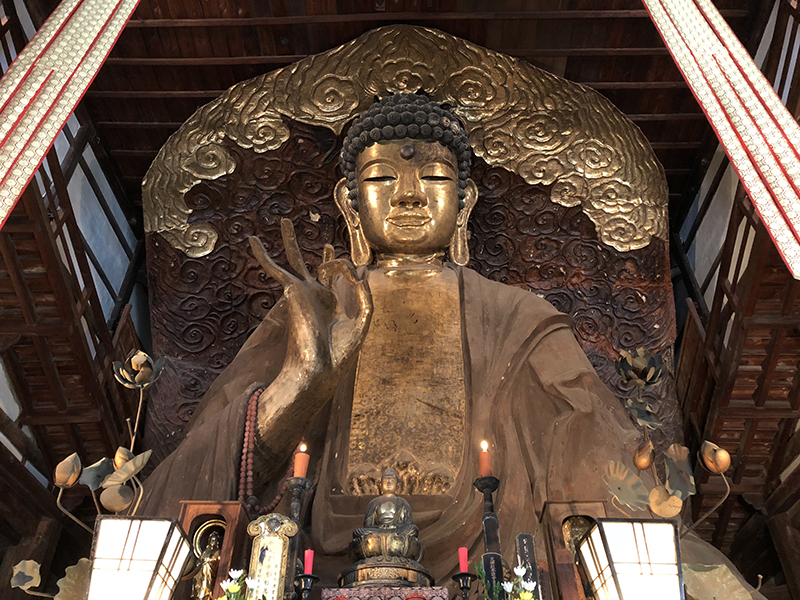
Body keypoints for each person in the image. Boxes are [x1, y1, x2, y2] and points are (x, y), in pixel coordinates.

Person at [141, 94, 765, 598]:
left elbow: (590, 443)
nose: (409, 196)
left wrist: (647, 484)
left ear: (463, 200)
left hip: (497, 566)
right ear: (348, 201)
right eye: (382, 177)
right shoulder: (311, 311)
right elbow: (200, 475)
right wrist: (304, 383)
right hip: (318, 564)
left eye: (433, 177)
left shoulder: (518, 317)